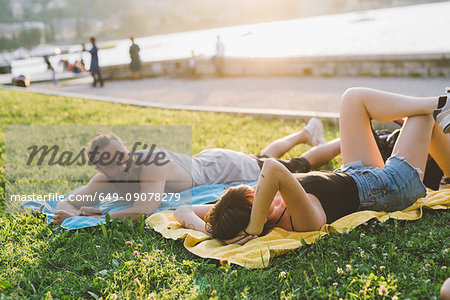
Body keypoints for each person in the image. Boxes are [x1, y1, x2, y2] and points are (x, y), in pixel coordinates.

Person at [174, 88, 450, 243]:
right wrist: (253, 227)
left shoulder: (245, 210)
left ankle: (440, 104)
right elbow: (272, 168)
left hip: (356, 172)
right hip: (390, 185)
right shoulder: (300, 218)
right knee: (421, 118)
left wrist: (207, 229)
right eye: (256, 197)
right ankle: (441, 118)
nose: (258, 190)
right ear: (257, 216)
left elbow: (182, 209)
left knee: (352, 99)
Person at [51, 118, 332, 225]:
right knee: (264, 157)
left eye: (122, 154)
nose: (122, 163)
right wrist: (69, 211)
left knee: (295, 167)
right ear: (100, 168)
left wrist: (91, 213)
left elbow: (143, 209)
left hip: (219, 169)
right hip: (204, 162)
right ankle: (306, 131)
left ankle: (343, 138)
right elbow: (70, 201)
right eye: (112, 162)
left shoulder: (149, 163)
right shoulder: (102, 179)